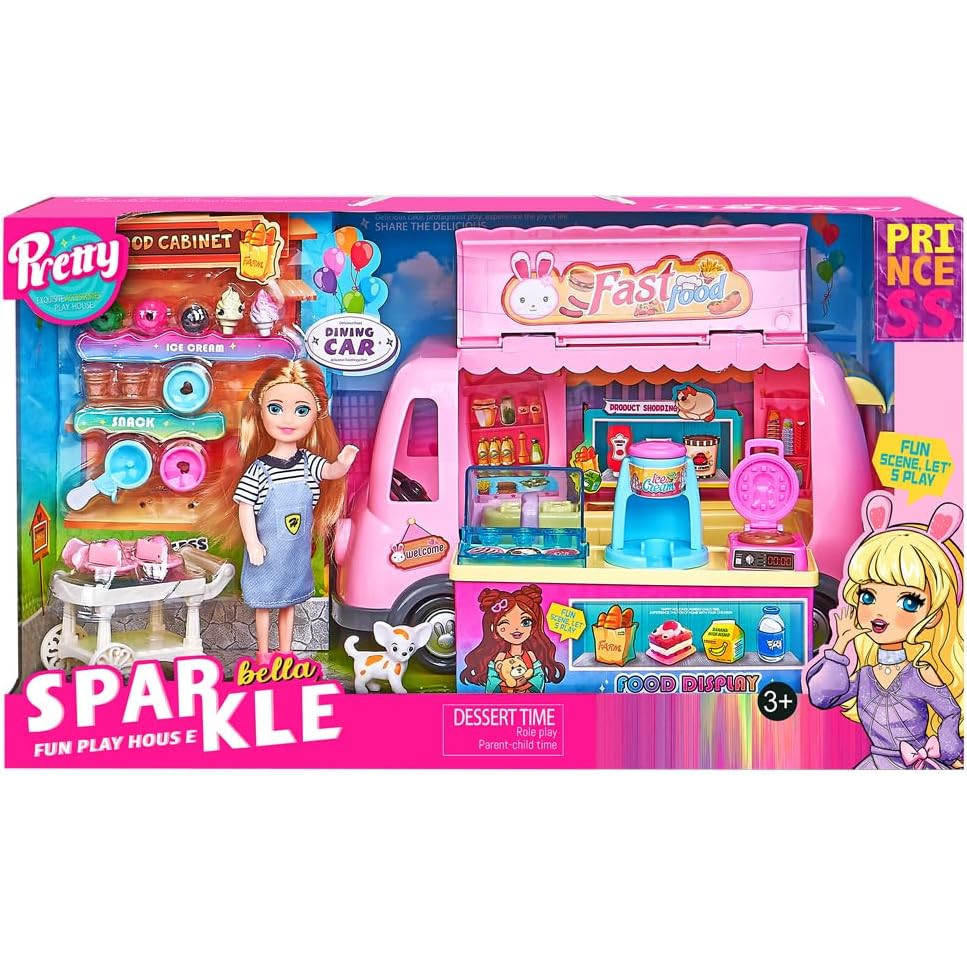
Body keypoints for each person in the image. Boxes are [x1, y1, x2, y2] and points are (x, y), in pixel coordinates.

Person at [806, 492, 964, 768]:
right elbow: (822, 697)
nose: (880, 613)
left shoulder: (921, 672)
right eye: (868, 596)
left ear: (934, 615)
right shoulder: (866, 676)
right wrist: (840, 645)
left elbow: (951, 713)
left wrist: (945, 746)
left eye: (909, 602)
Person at [233, 359, 356, 665]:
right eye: (276, 408)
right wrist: (253, 543)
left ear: (316, 414)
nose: (288, 419)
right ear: (260, 411)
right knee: (263, 605)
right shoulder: (258, 470)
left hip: (294, 556)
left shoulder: (308, 462)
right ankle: (263, 654)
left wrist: (343, 463)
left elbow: (330, 472)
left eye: (301, 410)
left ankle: (285, 653)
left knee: (288, 604)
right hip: (265, 554)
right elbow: (245, 507)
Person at [459, 585, 565, 693]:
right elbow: (492, 682)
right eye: (504, 622)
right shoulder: (500, 656)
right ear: (493, 628)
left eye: (525, 622)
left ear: (534, 625)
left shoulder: (530, 655)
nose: (516, 628)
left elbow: (539, 678)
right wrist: (508, 684)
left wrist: (524, 685)